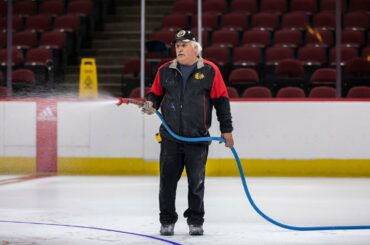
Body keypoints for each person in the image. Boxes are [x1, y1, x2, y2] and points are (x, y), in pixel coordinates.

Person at [143, 30, 234, 236]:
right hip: (170, 138)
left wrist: (226, 130)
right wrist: (150, 103)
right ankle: (166, 221)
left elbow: (221, 102)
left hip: (198, 138)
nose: (179, 49)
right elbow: (155, 94)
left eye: (184, 45)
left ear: (195, 48)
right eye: (177, 46)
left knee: (196, 183)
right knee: (166, 183)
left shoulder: (210, 70)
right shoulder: (165, 70)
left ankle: (195, 220)